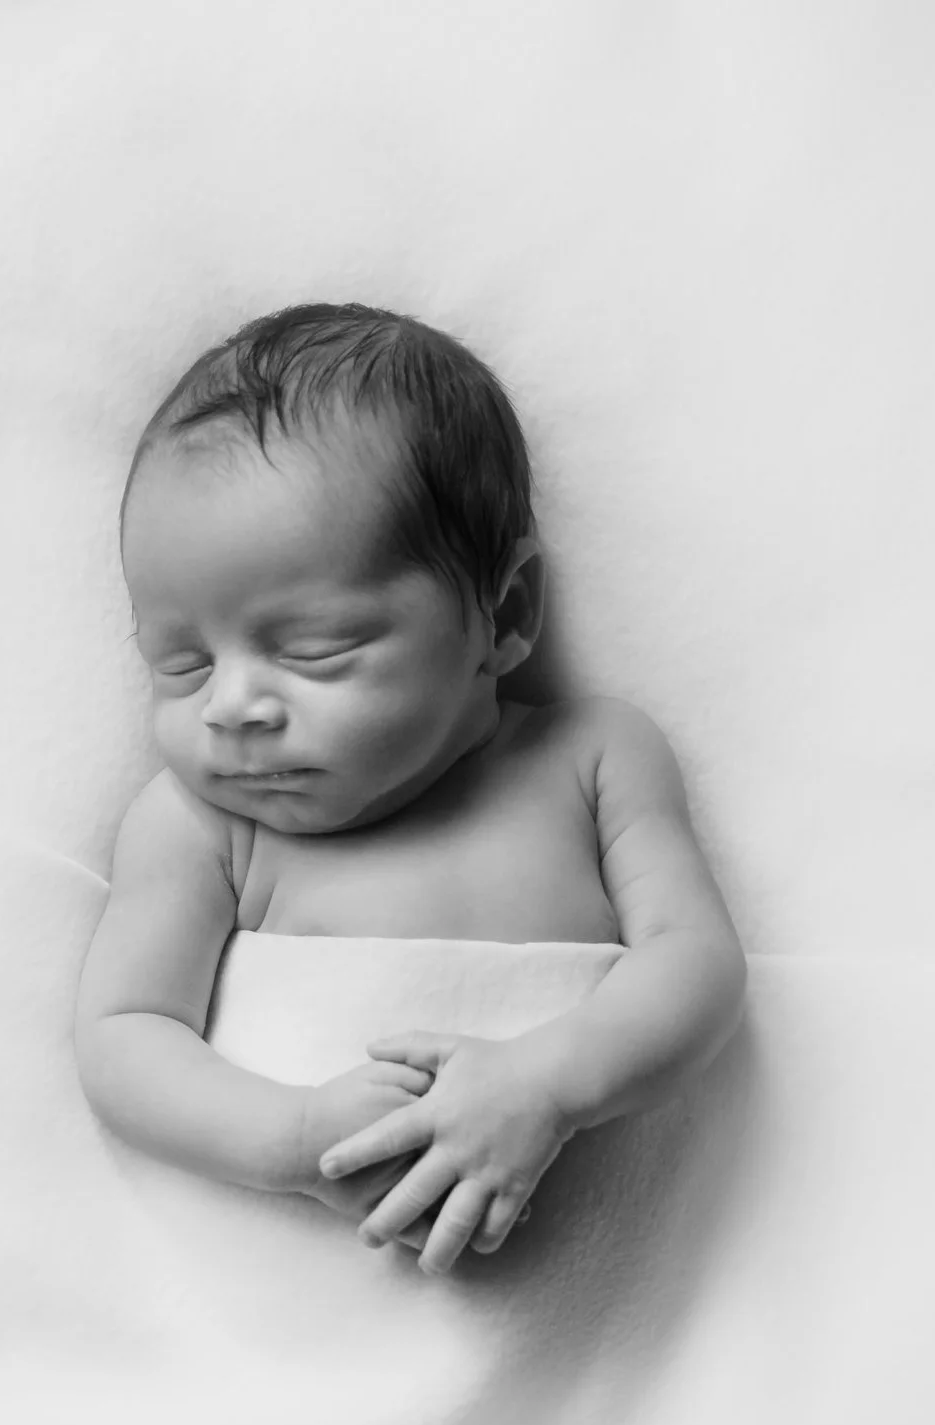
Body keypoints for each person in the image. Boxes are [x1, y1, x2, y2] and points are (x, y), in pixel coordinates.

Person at [72, 302, 746, 1273]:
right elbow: (124, 1036)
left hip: (594, 1298)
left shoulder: (592, 760)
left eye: (312, 648)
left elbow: (695, 965)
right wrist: (296, 1136)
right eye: (178, 663)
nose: (228, 705)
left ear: (502, 613)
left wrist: (548, 1082)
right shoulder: (198, 824)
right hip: (300, 1293)